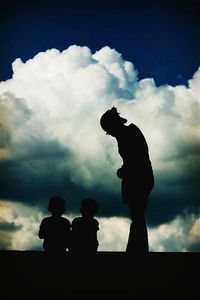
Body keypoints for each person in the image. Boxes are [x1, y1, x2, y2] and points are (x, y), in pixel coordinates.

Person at [100, 107, 154, 253]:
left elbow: (138, 158)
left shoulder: (130, 133)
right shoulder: (125, 134)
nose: (110, 134)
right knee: (137, 215)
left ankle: (137, 250)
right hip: (137, 177)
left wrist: (123, 171)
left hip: (140, 178)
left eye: (109, 130)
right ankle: (137, 248)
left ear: (114, 125)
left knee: (137, 215)